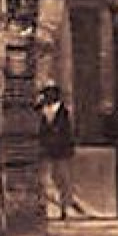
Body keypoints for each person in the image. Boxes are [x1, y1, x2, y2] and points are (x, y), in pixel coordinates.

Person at [35, 83, 79, 221]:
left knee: (62, 180)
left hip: (61, 151)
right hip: (47, 150)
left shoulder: (63, 112)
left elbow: (67, 133)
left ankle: (63, 208)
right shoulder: (43, 111)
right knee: (47, 179)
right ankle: (49, 208)